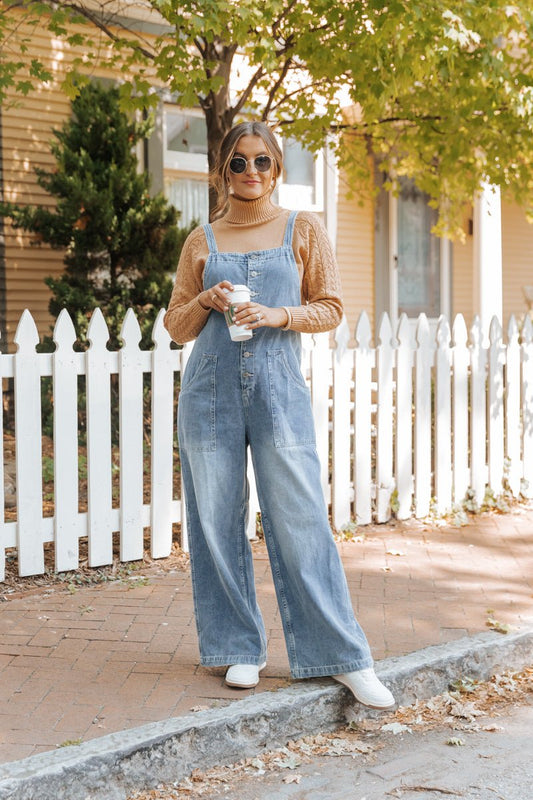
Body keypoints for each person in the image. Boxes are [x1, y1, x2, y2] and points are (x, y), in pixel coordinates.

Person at [164, 121, 395, 709]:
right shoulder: (201, 240)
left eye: (261, 162)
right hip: (209, 391)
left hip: (278, 389)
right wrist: (205, 299)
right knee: (215, 520)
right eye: (238, 163)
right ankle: (239, 646)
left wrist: (277, 316)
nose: (250, 173)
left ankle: (343, 656)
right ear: (223, 170)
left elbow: (332, 307)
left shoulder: (302, 227)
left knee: (298, 517)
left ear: (277, 168)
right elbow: (174, 328)